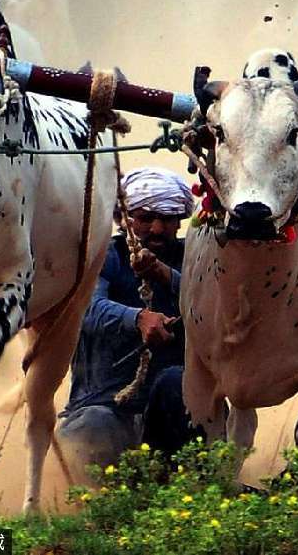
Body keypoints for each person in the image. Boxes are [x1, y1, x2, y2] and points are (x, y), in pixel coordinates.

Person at [55, 167, 202, 482]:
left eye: (167, 218)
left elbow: (214, 306)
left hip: (170, 418)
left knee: (179, 383)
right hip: (104, 408)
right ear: (124, 219)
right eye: (146, 217)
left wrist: (167, 277)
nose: (158, 229)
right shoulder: (102, 256)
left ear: (180, 221)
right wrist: (137, 318)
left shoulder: (194, 258)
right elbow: (84, 308)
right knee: (93, 424)